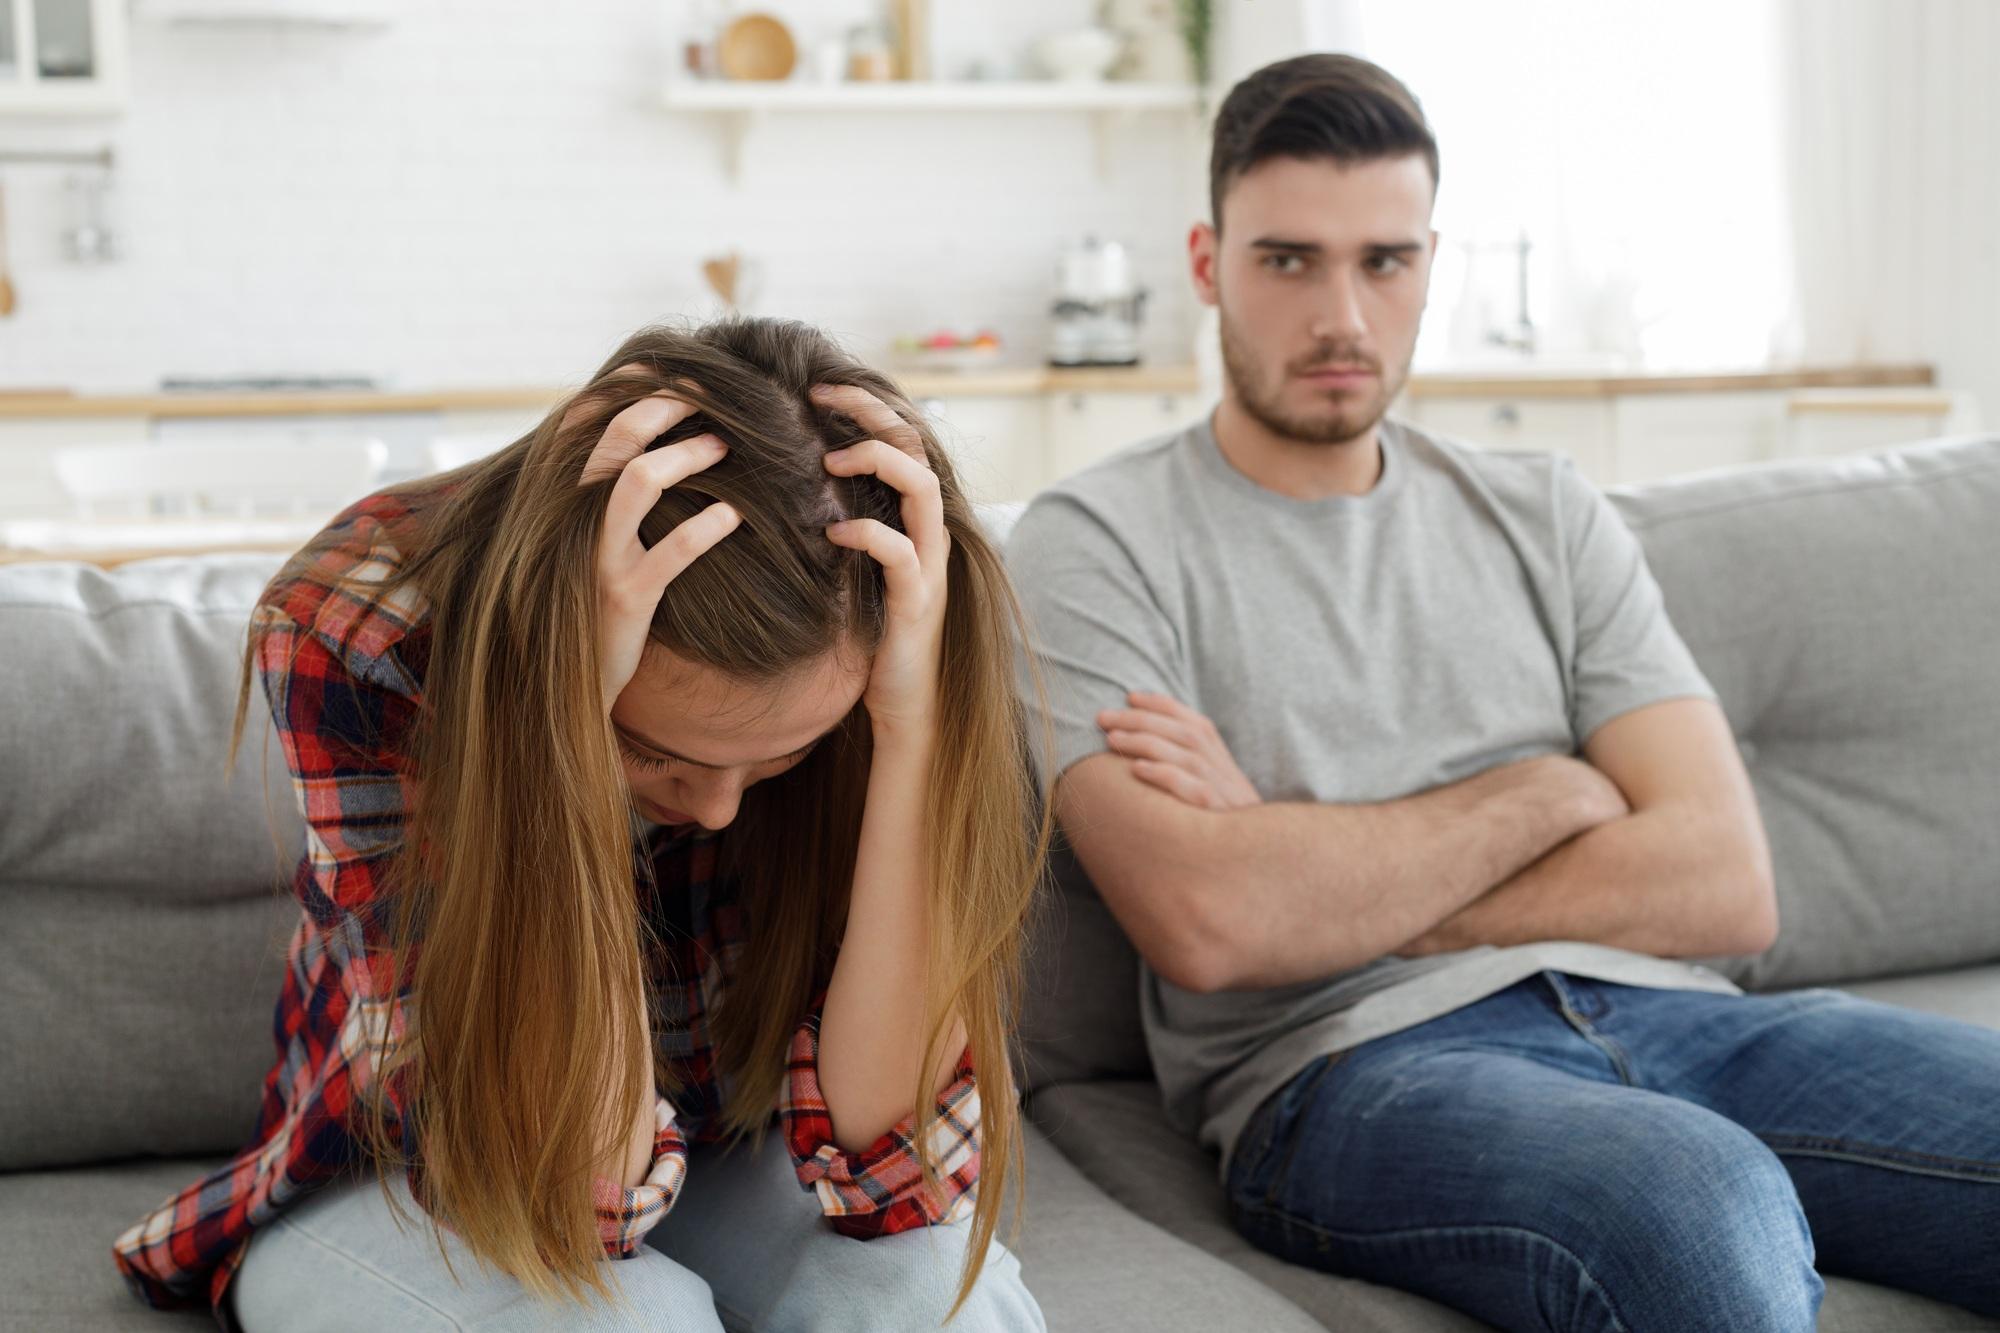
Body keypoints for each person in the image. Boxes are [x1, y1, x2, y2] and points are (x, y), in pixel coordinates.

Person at [1006, 52, 2000, 1331]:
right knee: (1695, 1201)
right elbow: (1211, 924)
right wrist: (1547, 789)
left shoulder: (1543, 513)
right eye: (1287, 260)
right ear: (1206, 265)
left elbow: (1722, 880)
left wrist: (1319, 871)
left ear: (1430, 263)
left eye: (1383, 260)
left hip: (1682, 1012)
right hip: (1351, 1070)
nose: (1341, 319)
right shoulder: (1093, 542)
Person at [113, 317, 1049, 1332]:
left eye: (782, 757)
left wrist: (914, 730)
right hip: (414, 1168)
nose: (718, 807)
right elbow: (578, 1190)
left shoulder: (895, 609)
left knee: (935, 1305)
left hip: (729, 1147)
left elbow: (891, 1179)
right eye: (660, 752)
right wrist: (557, 718)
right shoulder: (360, 623)